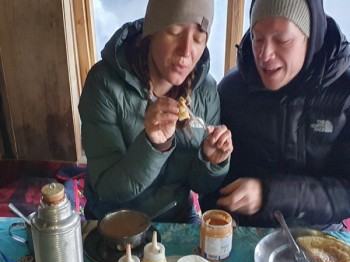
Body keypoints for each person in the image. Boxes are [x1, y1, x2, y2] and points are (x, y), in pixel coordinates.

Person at [78, 0, 233, 222]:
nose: (186, 51)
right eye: (175, 31)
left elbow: (200, 185)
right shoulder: (103, 84)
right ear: (151, 31)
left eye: (198, 39)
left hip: (179, 218)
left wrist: (211, 161)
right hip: (115, 220)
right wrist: (154, 145)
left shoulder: (205, 90)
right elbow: (108, 189)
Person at [202, 0, 350, 230]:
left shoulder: (344, 93)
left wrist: (270, 194)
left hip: (319, 233)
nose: (264, 54)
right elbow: (214, 187)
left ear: (310, 38)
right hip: (247, 230)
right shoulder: (232, 90)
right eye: (257, 38)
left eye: (282, 40)